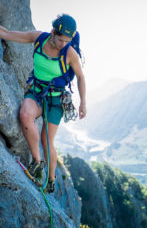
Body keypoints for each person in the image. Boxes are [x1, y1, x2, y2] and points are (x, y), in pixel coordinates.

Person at [0, 14, 87, 192]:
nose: (63, 44)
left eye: (67, 40)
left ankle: (51, 180)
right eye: (61, 39)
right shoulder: (38, 38)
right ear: (53, 32)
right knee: (25, 115)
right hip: (37, 92)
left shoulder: (70, 53)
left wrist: (83, 103)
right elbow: (8, 34)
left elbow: (80, 77)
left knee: (47, 140)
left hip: (56, 99)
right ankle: (37, 163)